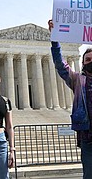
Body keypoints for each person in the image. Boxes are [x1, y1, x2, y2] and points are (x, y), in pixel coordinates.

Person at [48, 20, 92, 179]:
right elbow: (61, 65)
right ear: (83, 63)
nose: (91, 62)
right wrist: (55, 39)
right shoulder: (78, 80)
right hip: (88, 138)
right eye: (88, 60)